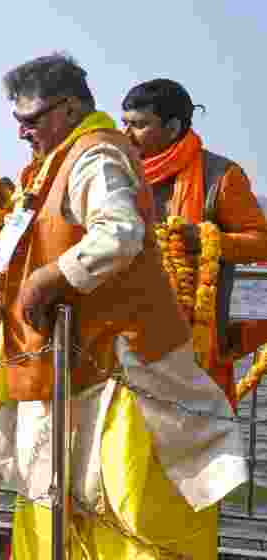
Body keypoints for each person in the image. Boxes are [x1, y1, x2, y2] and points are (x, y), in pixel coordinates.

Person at [0, 53, 248, 558]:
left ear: (71, 108)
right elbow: (20, 231)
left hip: (122, 362)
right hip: (66, 361)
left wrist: (47, 279)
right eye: (17, 121)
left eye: (30, 120)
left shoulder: (97, 157)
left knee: (122, 496)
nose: (21, 132)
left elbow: (119, 233)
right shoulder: (50, 164)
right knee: (56, 492)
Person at [121, 78, 267, 408]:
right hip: (126, 339)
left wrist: (203, 239)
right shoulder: (118, 174)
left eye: (140, 125)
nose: (127, 135)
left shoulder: (221, 176)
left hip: (198, 344)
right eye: (125, 124)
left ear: (173, 128)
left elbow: (261, 242)